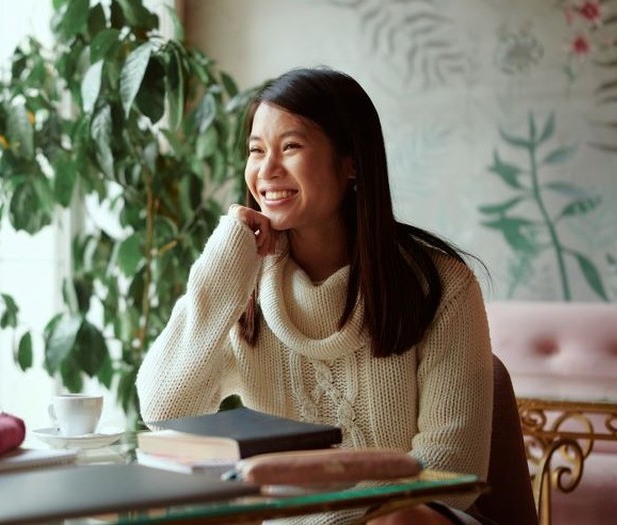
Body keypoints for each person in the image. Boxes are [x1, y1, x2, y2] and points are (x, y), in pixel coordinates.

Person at [136, 68, 492, 525]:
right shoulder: (242, 284)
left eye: (291, 147)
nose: (266, 171)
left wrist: (333, 520)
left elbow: (452, 466)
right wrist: (227, 257)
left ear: (352, 163)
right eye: (256, 150)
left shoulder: (442, 287)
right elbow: (165, 410)